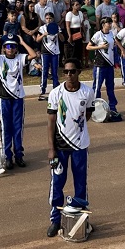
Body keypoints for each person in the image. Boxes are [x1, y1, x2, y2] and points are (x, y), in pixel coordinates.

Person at [45, 57, 94, 237]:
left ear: (78, 72)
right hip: (60, 147)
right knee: (57, 184)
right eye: (65, 72)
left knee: (81, 184)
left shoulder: (88, 92)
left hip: (80, 146)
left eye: (72, 71)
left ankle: (81, 220)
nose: (69, 75)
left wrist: (77, 129)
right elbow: (50, 122)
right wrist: (51, 149)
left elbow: (87, 114)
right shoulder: (56, 94)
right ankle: (55, 220)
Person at [0, 33, 39, 169]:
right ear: (3, 48)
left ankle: (19, 155)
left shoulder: (20, 57)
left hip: (18, 97)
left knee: (18, 127)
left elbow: (33, 56)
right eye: (8, 46)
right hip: (4, 98)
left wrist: (22, 43)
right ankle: (7, 156)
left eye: (13, 46)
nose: (10, 48)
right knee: (6, 128)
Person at [87, 17, 124, 119]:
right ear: (103, 24)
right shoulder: (98, 35)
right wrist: (100, 47)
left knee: (110, 87)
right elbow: (88, 47)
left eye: (110, 22)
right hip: (100, 65)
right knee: (97, 87)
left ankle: (112, 107)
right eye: (108, 22)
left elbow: (113, 47)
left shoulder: (112, 34)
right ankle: (95, 108)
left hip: (109, 65)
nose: (110, 24)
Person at [35, 12, 62, 101]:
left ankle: (56, 89)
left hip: (55, 52)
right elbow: (37, 39)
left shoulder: (56, 27)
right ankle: (43, 90)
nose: (48, 20)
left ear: (53, 19)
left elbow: (62, 39)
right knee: (45, 71)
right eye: (47, 18)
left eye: (50, 18)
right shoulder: (42, 28)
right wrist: (43, 35)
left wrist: (59, 33)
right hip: (45, 52)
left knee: (55, 71)